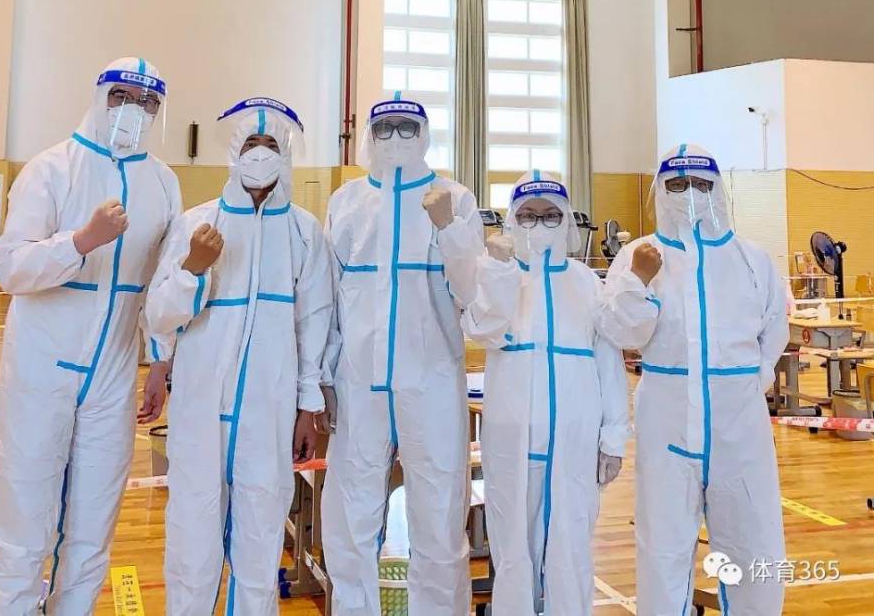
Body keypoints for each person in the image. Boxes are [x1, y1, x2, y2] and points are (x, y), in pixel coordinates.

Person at [0, 57, 182, 614]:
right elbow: (11, 269)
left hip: (113, 378)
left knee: (93, 530)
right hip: (40, 372)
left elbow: (163, 282)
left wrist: (160, 362)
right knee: (23, 529)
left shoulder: (163, 183)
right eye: (122, 97)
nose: (133, 111)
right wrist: (81, 241)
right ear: (99, 97)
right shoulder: (51, 170)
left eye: (147, 103)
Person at [143, 97, 333, 616]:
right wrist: (193, 269)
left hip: (268, 413)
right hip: (200, 409)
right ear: (234, 151)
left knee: (260, 540)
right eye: (251, 143)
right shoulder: (197, 224)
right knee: (192, 539)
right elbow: (159, 315)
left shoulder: (304, 232)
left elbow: (314, 323)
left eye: (271, 144)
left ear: (286, 155)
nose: (261, 154)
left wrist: (308, 405)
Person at [597, 144, 789, 616]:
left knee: (754, 541)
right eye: (678, 185)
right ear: (661, 190)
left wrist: (754, 380)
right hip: (667, 419)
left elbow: (774, 328)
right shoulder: (638, 255)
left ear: (717, 189)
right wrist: (638, 281)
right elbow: (623, 332)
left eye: (701, 184)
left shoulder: (752, 259)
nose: (690, 195)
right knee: (663, 547)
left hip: (739, 423)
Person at [320, 97, 483, 616]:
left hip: (432, 379)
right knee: (351, 514)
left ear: (425, 133)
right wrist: (322, 376)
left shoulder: (456, 198)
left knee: (439, 513)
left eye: (406, 127)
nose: (395, 137)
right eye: (384, 127)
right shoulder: (347, 202)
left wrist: (450, 230)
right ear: (369, 135)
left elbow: (473, 292)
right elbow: (327, 297)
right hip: (358, 381)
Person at [460, 171, 629, 615]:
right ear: (512, 220)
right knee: (512, 546)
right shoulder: (497, 276)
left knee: (571, 546)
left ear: (566, 219)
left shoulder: (586, 281)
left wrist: (614, 436)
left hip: (574, 436)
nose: (539, 224)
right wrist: (495, 272)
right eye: (528, 215)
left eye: (550, 215)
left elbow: (608, 360)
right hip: (511, 436)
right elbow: (480, 329)